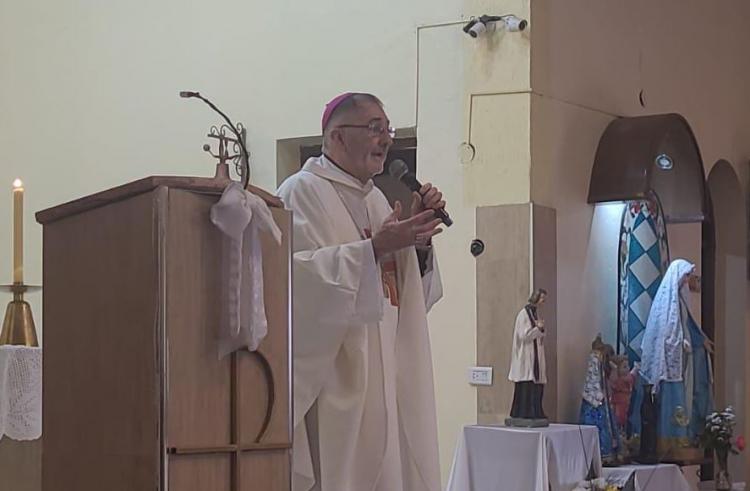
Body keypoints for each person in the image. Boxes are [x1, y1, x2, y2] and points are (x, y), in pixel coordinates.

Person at [277, 92, 446, 491]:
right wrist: (373, 249)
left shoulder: (376, 198)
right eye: (374, 129)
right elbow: (292, 283)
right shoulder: (300, 192)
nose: (386, 139)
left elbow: (402, 296)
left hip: (385, 372)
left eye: (387, 129)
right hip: (337, 381)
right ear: (336, 137)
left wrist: (417, 243)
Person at [638, 258, 714, 458]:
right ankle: (668, 440)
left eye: (689, 276)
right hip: (669, 363)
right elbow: (665, 333)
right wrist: (680, 343)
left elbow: (686, 326)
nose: (688, 280)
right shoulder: (666, 302)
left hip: (681, 360)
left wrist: (699, 341)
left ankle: (681, 438)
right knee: (673, 400)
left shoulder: (679, 299)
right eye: (686, 275)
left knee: (683, 400)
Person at [507, 288, 548, 426]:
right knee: (526, 386)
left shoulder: (535, 314)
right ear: (536, 298)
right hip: (525, 356)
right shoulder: (523, 315)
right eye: (542, 298)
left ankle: (535, 411)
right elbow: (524, 336)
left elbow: (539, 333)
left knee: (537, 385)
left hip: (535, 355)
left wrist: (541, 329)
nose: (543, 302)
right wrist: (538, 329)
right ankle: (524, 413)